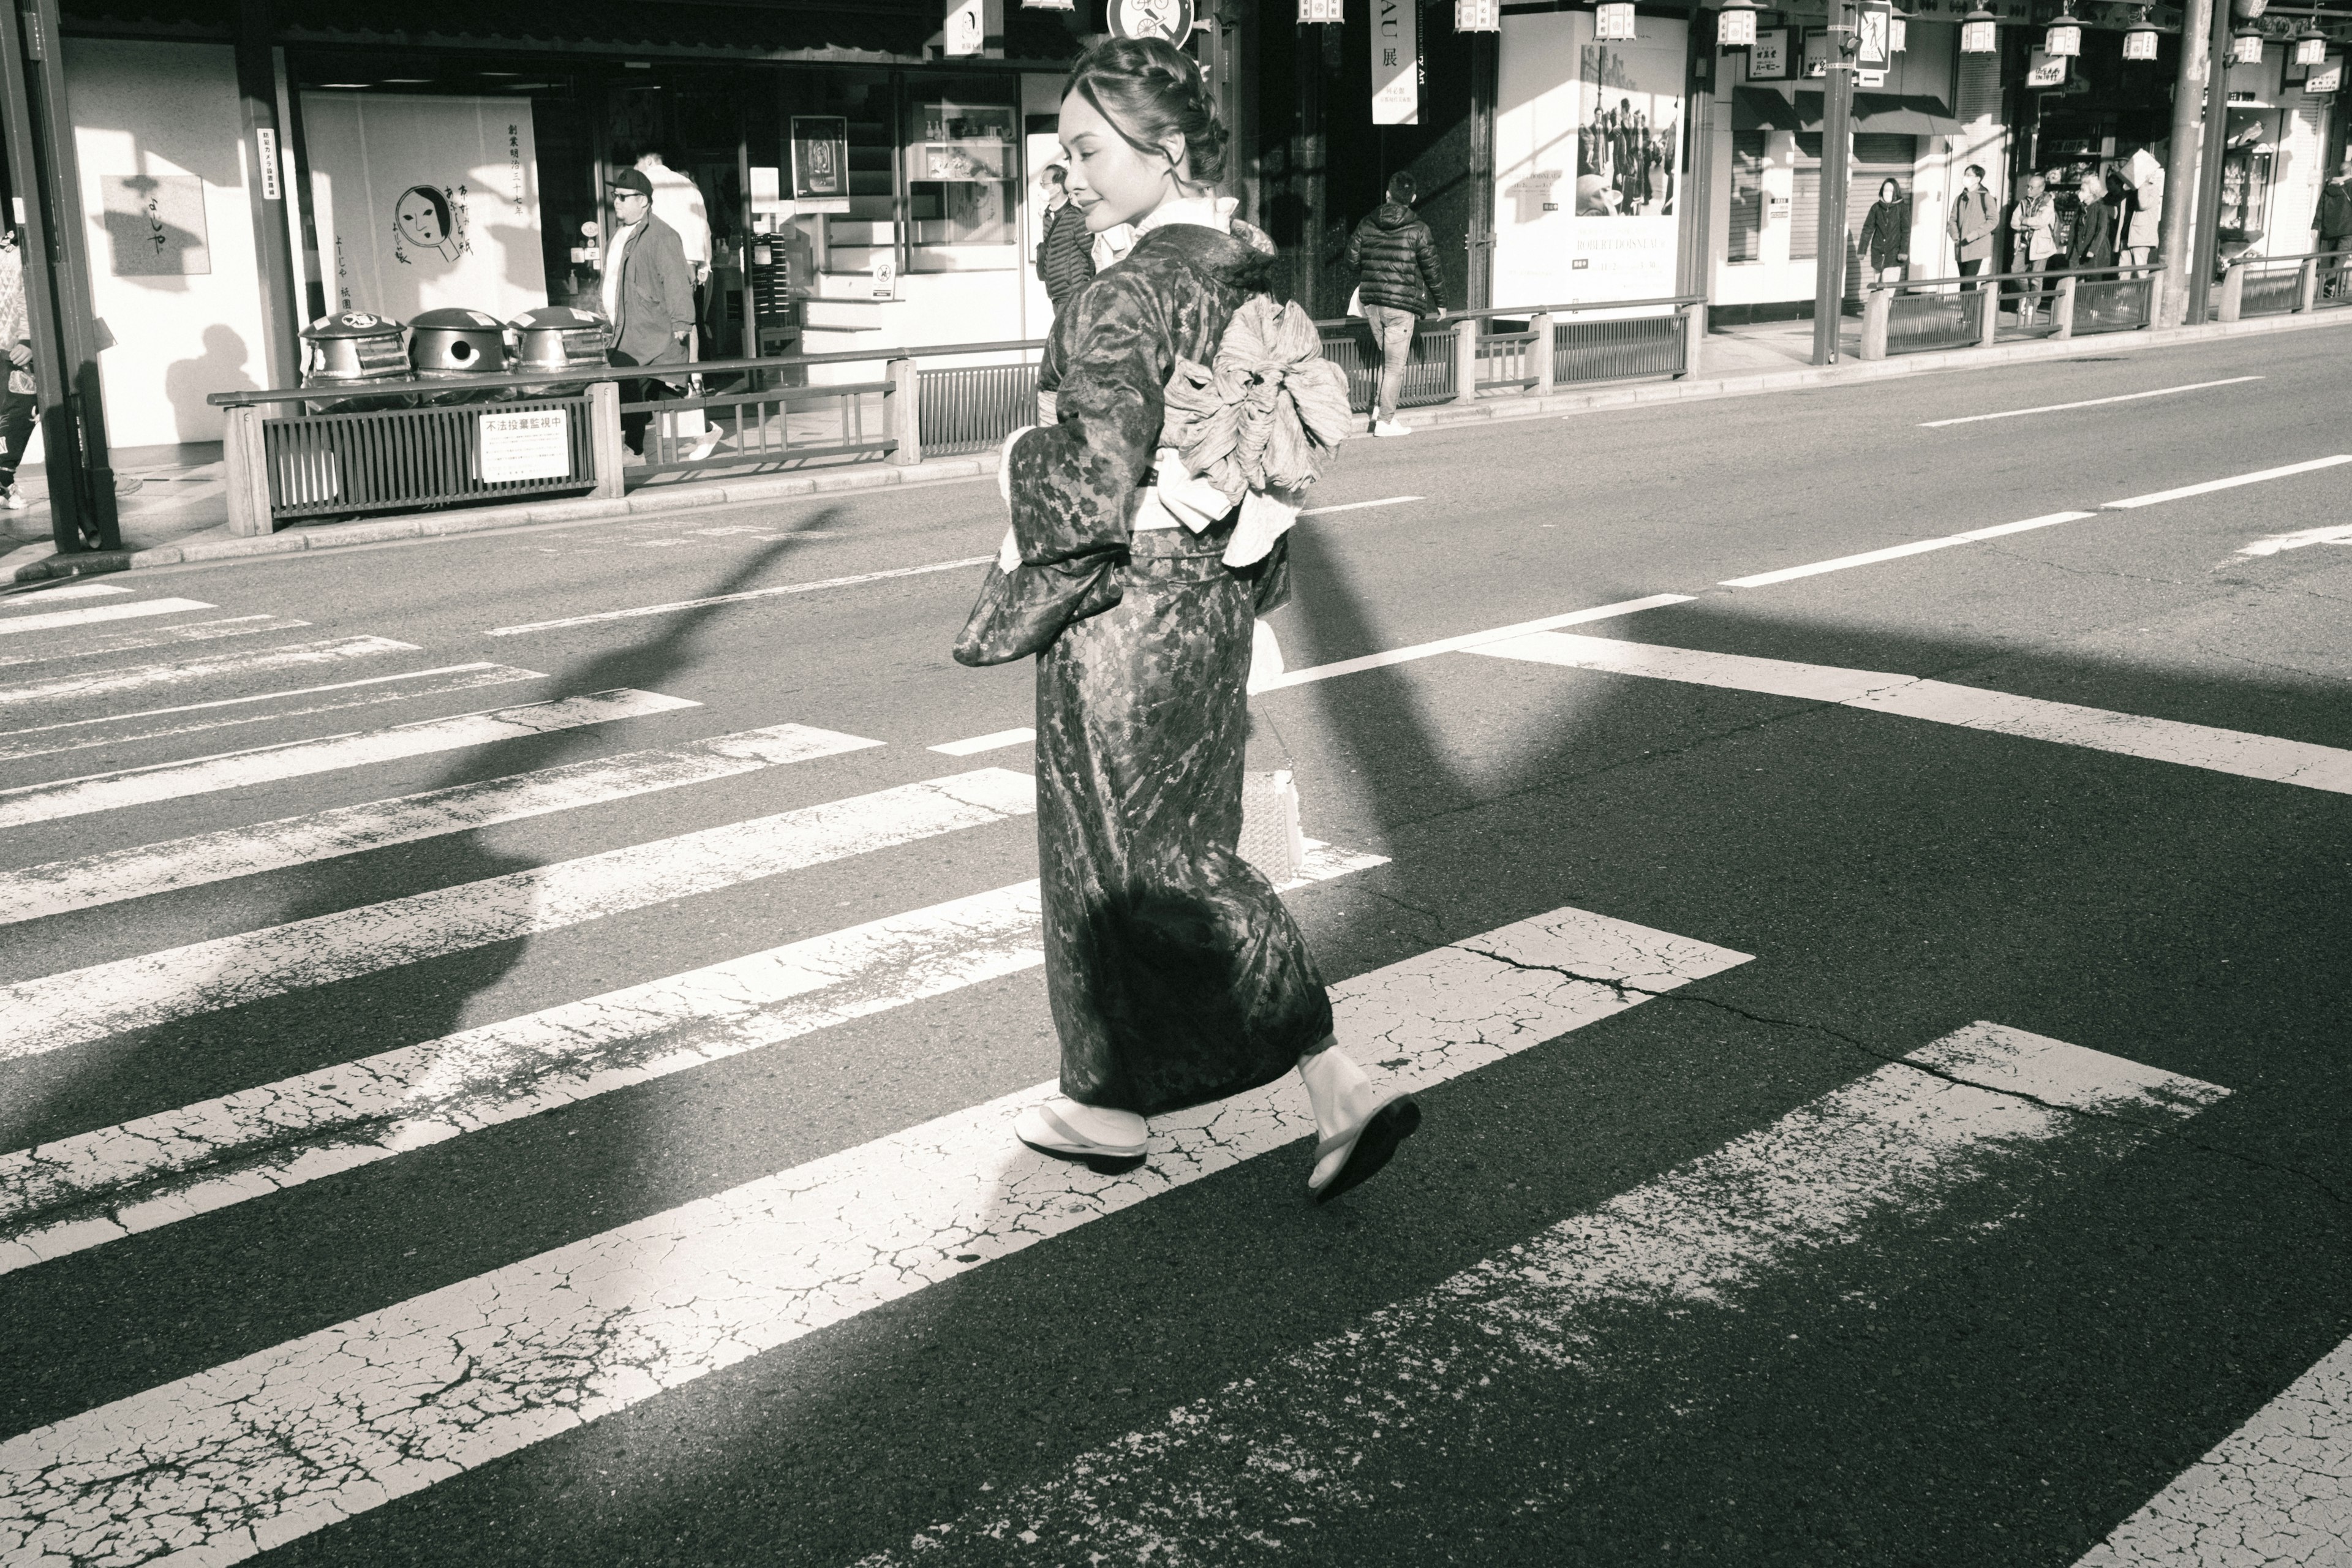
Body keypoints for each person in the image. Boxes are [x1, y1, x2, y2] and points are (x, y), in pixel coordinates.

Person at [966, 36, 1419, 1203]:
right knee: (1142, 851)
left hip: (1129, 600)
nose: (1067, 174)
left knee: (1139, 855)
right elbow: (1266, 447)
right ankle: (1109, 1095)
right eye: (1062, 153)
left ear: (1161, 150)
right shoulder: (1243, 274)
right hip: (1211, 588)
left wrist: (1022, 456)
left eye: (1085, 151)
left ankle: (1330, 1072)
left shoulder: (1129, 291)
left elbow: (1096, 466)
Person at [599, 167, 696, 458]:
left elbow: (677, 280)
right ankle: (636, 446)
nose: (616, 201)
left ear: (643, 200)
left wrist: (682, 322)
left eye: (623, 197)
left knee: (635, 388)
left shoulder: (662, 235)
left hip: (647, 329)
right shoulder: (619, 233)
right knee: (633, 389)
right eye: (615, 195)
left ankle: (635, 448)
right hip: (622, 328)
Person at [1346, 170, 1447, 438]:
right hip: (1401, 307)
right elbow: (1432, 270)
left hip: (1373, 305)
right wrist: (1442, 303)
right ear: (1412, 198)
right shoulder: (1419, 229)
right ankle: (1386, 422)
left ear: (1388, 195)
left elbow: (1351, 260)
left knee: (1385, 360)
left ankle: (1380, 409)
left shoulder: (1367, 223)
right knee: (1394, 366)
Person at [1034, 162, 1096, 317]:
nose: (1041, 188)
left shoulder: (1077, 218)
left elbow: (1092, 255)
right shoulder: (1048, 217)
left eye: (1044, 184)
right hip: (1055, 292)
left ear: (1058, 187)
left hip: (1072, 293)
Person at [0, 228, 32, 512]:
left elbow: (29, 292)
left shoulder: (21, 236)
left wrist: (28, 339)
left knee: (22, 410)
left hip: (11, 347)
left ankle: (4, 477)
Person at [2011, 173, 2060, 325]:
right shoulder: (2023, 203)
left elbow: (2041, 222)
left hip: (2041, 246)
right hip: (2023, 244)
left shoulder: (2048, 202)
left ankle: (2033, 304)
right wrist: (2027, 222)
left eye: (2032, 187)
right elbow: (2013, 222)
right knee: (2015, 271)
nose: (2029, 190)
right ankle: (2027, 294)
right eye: (2028, 187)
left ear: (2042, 188)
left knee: (2037, 278)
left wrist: (2024, 221)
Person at [1950, 164, 1998, 291]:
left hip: (1977, 247)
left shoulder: (1985, 197)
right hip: (1961, 246)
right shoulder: (1960, 198)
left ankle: (1972, 311)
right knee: (1963, 282)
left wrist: (1975, 234)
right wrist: (1955, 236)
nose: (1965, 178)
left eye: (1969, 175)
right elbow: (1952, 220)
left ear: (1977, 179)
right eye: (1965, 175)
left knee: (1969, 281)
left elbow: (1993, 220)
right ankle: (1966, 310)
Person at [2121, 146, 2164, 276]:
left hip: (2141, 237)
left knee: (2141, 271)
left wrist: (2143, 182)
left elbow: (2143, 204)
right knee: (2122, 270)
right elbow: (2124, 187)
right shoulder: (2134, 188)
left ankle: (2144, 295)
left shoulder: (2152, 189)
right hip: (2128, 234)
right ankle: (2121, 295)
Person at [1858, 177, 1909, 284]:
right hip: (1878, 253)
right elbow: (1867, 229)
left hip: (1894, 255)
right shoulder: (1876, 208)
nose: (1887, 193)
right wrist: (1862, 250)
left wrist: (1903, 251)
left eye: (1890, 191)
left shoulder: (1902, 209)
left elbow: (1906, 232)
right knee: (1878, 287)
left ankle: (1887, 302)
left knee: (1888, 289)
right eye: (1885, 190)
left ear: (1896, 192)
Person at [2314, 159, 2352, 298]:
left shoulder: (2329, 187)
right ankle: (2329, 286)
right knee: (2340, 259)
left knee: (2333, 259)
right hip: (2348, 230)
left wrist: (2316, 226)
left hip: (2330, 230)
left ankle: (2337, 289)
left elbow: (2320, 208)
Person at [2068, 168, 2116, 275]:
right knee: (2077, 281)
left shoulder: (2100, 209)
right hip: (2080, 251)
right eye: (2080, 189)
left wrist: (2093, 250)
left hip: (2097, 253)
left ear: (2092, 193)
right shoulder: (2081, 209)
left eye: (2083, 190)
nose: (2080, 192)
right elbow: (2075, 231)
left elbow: (2101, 230)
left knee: (2093, 284)